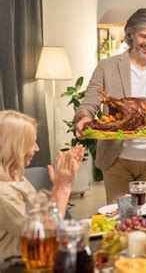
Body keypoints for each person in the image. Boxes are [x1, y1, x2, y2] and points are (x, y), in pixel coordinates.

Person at [74, 8, 146, 204]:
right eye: (144, 36)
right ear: (131, 34)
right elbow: (89, 103)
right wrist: (84, 117)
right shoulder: (107, 67)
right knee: (120, 217)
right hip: (116, 161)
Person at [0, 110, 84, 262]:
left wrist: (60, 186)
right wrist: (63, 188)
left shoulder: (17, 178)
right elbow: (44, 236)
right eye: (31, 143)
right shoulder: (3, 194)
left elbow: (45, 217)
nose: (37, 148)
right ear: (14, 146)